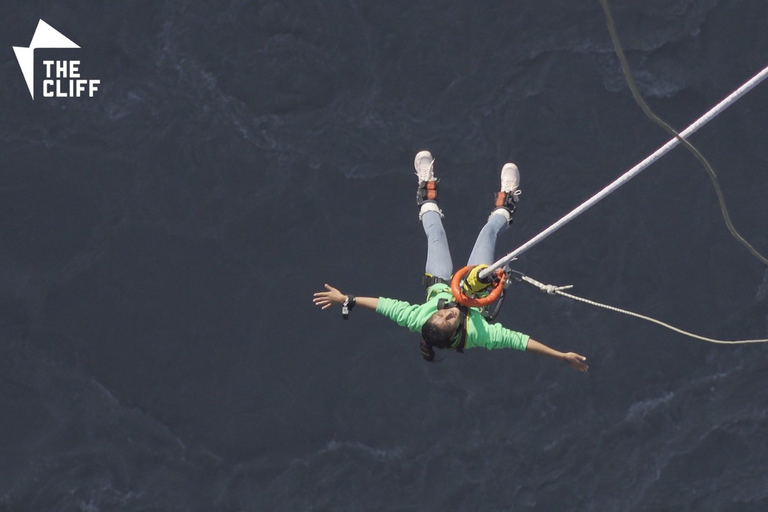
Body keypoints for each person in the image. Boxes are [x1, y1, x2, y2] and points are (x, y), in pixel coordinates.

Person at [313, 151, 588, 372]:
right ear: (456, 331)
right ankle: (507, 202)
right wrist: (560, 356)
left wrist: (346, 298)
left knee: (435, 233)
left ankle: (426, 185)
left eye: (440, 315)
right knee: (488, 232)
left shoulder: (418, 319)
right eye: (450, 319)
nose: (449, 312)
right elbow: (519, 342)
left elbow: (384, 306)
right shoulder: (478, 335)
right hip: (476, 290)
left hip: (441, 282)